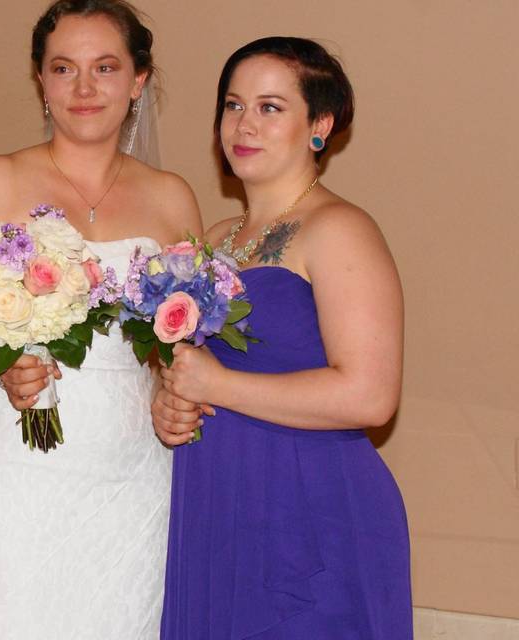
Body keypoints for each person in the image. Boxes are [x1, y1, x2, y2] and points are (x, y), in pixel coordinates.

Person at [0, 1, 203, 637]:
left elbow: (183, 336)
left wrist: (171, 394)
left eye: (105, 67)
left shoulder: (171, 197)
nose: (84, 87)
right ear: (40, 81)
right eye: (63, 67)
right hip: (16, 459)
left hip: (131, 469)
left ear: (138, 81)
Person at [153, 37, 412, 639]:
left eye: (271, 107)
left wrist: (218, 383)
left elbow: (371, 396)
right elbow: (189, 370)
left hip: (307, 501)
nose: (244, 124)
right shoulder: (216, 239)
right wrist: (169, 402)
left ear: (320, 125)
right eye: (233, 105)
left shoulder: (341, 229)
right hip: (217, 496)